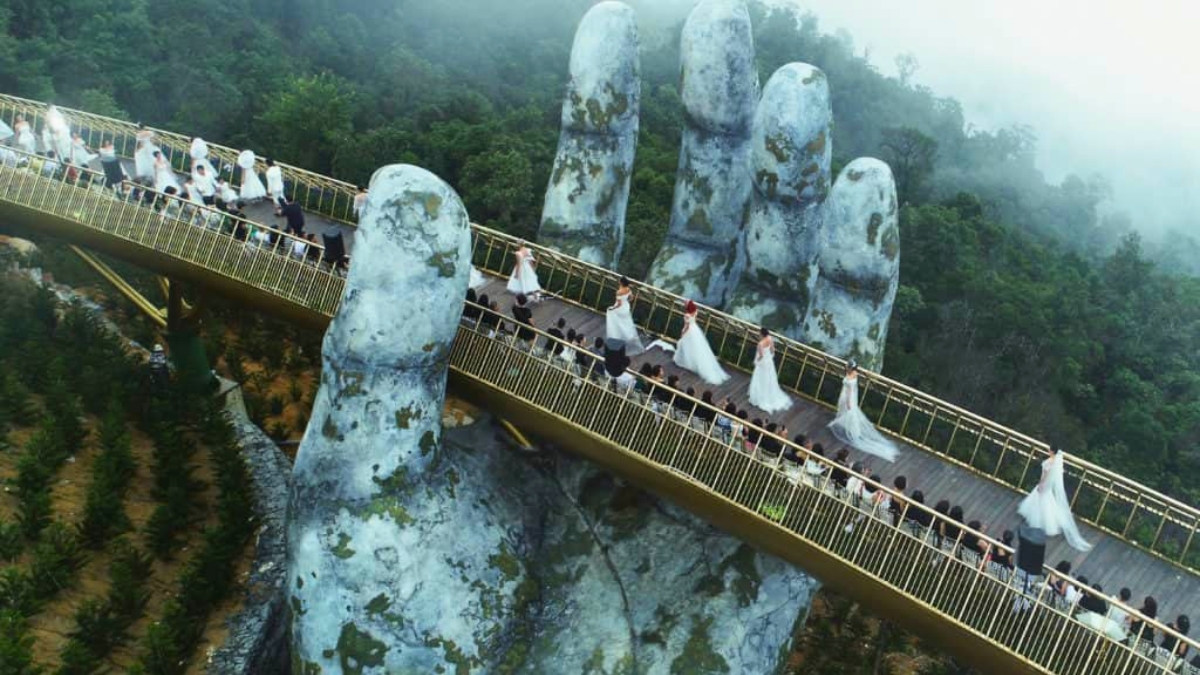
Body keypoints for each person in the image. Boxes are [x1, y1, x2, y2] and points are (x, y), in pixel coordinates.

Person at [1016, 449, 1091, 552]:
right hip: (1049, 486)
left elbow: (1045, 474)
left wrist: (1041, 484)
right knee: (1047, 502)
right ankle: (1047, 520)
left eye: (1049, 450)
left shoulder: (1049, 462)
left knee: (1041, 500)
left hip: (1044, 484)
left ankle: (1040, 520)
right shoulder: (1056, 462)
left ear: (1052, 451)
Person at [828, 360, 899, 462]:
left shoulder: (849, 378)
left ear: (850, 368)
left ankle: (849, 430)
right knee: (850, 414)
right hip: (851, 397)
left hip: (848, 398)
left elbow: (849, 392)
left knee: (849, 413)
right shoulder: (855, 375)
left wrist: (848, 403)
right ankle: (849, 428)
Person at [672, 299, 729, 385]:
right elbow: (692, 321)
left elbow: (686, 326)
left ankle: (683, 360)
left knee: (685, 345)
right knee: (695, 348)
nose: (684, 304)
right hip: (695, 329)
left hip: (689, 331)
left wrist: (683, 332)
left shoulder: (687, 315)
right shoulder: (695, 312)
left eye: (686, 304)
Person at [748, 326, 792, 413]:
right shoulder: (770, 338)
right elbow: (772, 350)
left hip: (762, 364)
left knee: (759, 379)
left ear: (761, 334)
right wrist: (769, 358)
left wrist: (756, 361)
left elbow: (760, 356)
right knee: (768, 379)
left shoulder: (760, 344)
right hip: (769, 363)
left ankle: (758, 396)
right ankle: (768, 394)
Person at [605, 277, 644, 356]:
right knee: (626, 323)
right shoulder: (628, 289)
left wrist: (612, 308)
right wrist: (627, 301)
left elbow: (619, 304)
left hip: (620, 309)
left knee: (613, 317)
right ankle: (627, 335)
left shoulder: (619, 292)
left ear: (621, 283)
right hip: (626, 308)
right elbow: (631, 298)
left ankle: (617, 335)